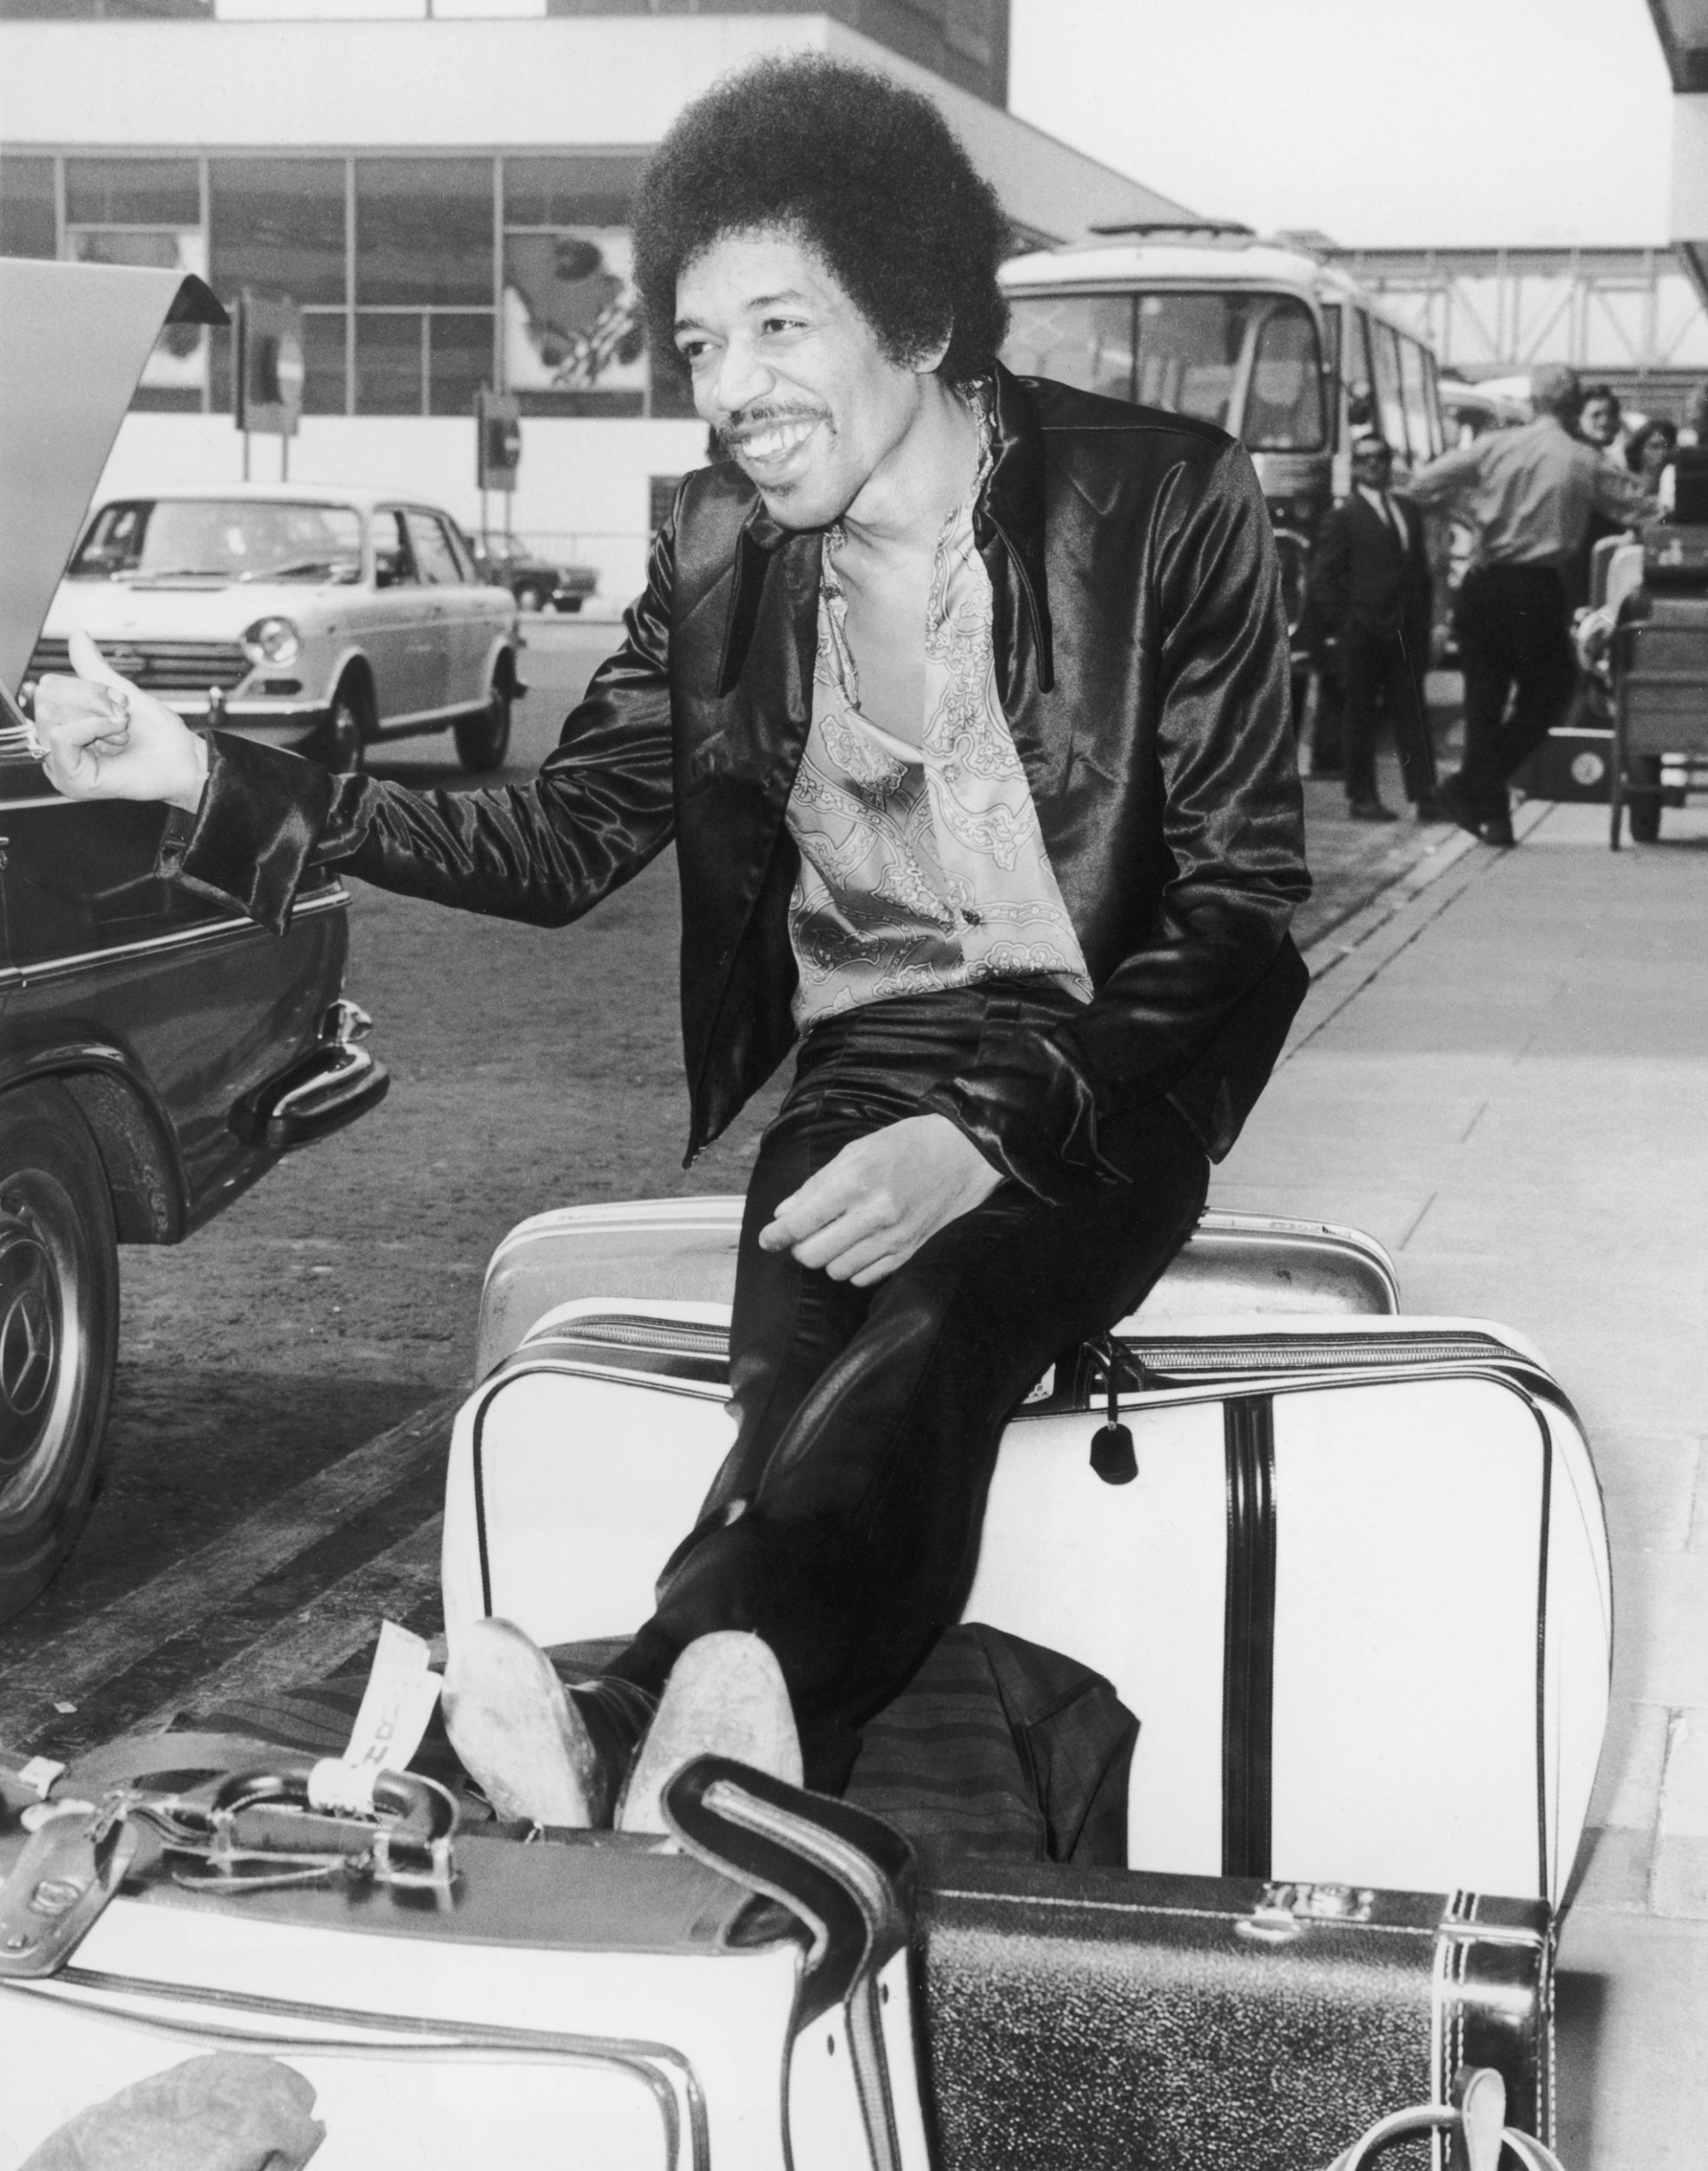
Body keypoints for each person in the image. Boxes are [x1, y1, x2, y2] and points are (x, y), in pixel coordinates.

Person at [35, 56, 1309, 1831]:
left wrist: (993, 1129)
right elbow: (556, 839)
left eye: (777, 328)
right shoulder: (714, 550)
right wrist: (207, 773)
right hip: (859, 1071)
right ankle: (684, 1747)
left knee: (932, 1331)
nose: (734, 392)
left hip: (1095, 1076)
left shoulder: (1164, 497)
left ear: (914, 312)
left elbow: (1243, 908)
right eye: (701, 344)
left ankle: (626, 1704)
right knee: (790, 1425)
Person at [1408, 362, 1648, 847]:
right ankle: (1472, 787)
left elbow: (1421, 484)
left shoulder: (1495, 446)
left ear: (1534, 402)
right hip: (1535, 589)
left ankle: (1492, 816)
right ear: (1574, 405)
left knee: (1483, 700)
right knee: (1552, 690)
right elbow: (1641, 505)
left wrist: (1473, 517)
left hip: (1481, 585)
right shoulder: (1583, 459)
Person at [1309, 432, 1440, 823]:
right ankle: (1362, 797)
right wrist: (1347, 624)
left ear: (1390, 461)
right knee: (1360, 717)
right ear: (1355, 467)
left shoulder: (1407, 510)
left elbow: (1418, 571)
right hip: (1364, 632)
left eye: (1380, 457)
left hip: (1404, 632)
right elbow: (1324, 580)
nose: (1374, 464)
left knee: (1412, 714)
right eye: (1365, 458)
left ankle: (1426, 795)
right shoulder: (1342, 517)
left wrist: (1424, 622)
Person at [1626, 415, 1678, 489]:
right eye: (1654, 447)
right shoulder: (1626, 487)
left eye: (1668, 446)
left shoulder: (1678, 488)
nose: (1663, 453)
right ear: (1638, 451)